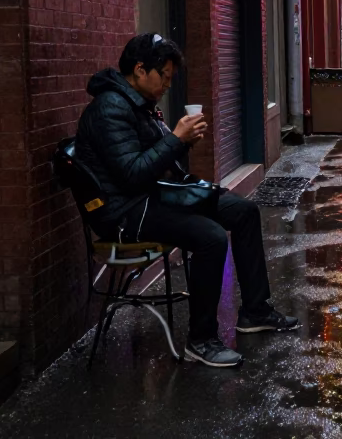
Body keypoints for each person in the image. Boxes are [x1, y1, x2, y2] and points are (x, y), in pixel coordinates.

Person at [75, 33, 298, 368]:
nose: (167, 84)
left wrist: (181, 142)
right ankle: (201, 340)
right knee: (209, 237)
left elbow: (155, 161)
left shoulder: (139, 103)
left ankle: (255, 311)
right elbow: (131, 174)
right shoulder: (109, 109)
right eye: (163, 76)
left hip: (155, 194)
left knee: (244, 211)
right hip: (124, 211)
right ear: (139, 70)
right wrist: (177, 139)